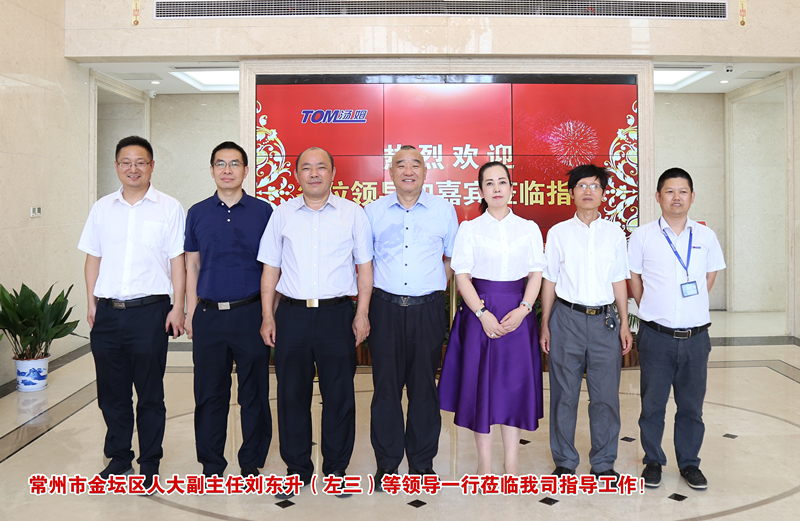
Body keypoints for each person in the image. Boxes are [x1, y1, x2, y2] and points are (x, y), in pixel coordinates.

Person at [257, 147, 373, 499]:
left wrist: (362, 313)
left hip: (337, 315)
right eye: (306, 168)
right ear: (296, 175)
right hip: (291, 315)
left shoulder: (353, 214)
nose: (314, 173)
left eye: (321, 167)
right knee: (291, 395)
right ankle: (296, 470)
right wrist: (267, 315)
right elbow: (270, 269)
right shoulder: (282, 214)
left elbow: (365, 269)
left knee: (339, 395)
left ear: (333, 173)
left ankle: (336, 470)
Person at [78, 135, 185, 490]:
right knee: (112, 392)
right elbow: (92, 258)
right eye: (126, 162)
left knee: (150, 393)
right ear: (116, 166)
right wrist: (91, 302)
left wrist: (178, 307)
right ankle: (119, 457)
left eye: (140, 162)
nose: (133, 168)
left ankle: (150, 461)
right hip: (108, 312)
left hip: (150, 312)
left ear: (152, 166)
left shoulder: (169, 208)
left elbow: (178, 262)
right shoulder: (102, 208)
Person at [438, 161, 545, 475]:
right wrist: (482, 314)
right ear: (481, 191)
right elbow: (462, 276)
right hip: (479, 315)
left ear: (512, 187)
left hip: (518, 314)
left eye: (502, 182)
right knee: (480, 388)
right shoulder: (470, 228)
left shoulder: (528, 227)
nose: (496, 188)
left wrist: (525, 309)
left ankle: (511, 462)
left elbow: (536, 273)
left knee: (514, 388)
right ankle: (484, 463)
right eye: (489, 183)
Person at [364, 145, 458, 485]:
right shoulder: (372, 212)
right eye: (400, 165)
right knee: (385, 389)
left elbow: (452, 258)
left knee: (424, 389)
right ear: (390, 172)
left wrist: (431, 287)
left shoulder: (443, 210)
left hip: (426, 311)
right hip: (384, 309)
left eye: (415, 164)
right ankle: (387, 464)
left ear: (425, 171)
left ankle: (421, 463)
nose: (408, 171)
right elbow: (364, 262)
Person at [628, 168, 725, 490]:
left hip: (696, 337)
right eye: (669, 191)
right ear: (658, 197)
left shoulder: (706, 236)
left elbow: (710, 276)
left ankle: (689, 463)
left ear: (692, 196)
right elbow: (634, 278)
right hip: (656, 336)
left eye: (683, 191)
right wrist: (651, 307)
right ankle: (653, 461)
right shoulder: (643, 236)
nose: (676, 197)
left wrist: (689, 306)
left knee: (691, 407)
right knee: (652, 405)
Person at [184, 141, 273, 478]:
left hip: (250, 313)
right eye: (220, 163)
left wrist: (269, 313)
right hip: (208, 315)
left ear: (246, 171)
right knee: (209, 393)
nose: (227, 170)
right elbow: (192, 265)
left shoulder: (264, 212)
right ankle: (211, 464)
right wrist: (191, 312)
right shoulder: (197, 212)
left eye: (234, 163)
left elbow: (272, 267)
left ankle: (251, 461)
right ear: (211, 170)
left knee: (254, 393)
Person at [539, 163, 633, 482]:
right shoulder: (559, 233)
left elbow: (619, 279)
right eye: (582, 186)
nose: (588, 191)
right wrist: (545, 323)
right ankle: (565, 460)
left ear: (603, 193)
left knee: (605, 396)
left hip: (605, 321)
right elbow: (549, 279)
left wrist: (624, 323)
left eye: (594, 186)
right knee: (564, 395)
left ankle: (604, 462)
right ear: (572, 193)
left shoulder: (614, 233)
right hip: (567, 319)